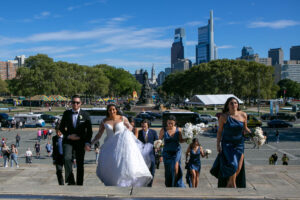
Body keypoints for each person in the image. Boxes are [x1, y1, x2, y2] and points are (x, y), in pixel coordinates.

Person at [89, 104, 152, 187]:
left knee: (124, 164)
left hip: (122, 144)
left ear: (116, 110)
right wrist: (91, 143)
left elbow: (130, 127)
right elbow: (99, 134)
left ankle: (124, 182)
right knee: (113, 165)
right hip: (110, 146)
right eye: (110, 110)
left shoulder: (122, 118)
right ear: (108, 111)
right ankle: (115, 183)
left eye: (113, 109)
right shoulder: (104, 121)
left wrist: (126, 132)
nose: (112, 111)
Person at [210, 97, 250, 188]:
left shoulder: (243, 115)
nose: (234, 105)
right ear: (228, 106)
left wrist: (256, 134)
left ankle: (230, 184)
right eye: (231, 103)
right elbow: (219, 131)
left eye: (235, 103)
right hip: (228, 144)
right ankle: (233, 184)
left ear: (238, 104)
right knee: (233, 165)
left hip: (240, 144)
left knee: (239, 167)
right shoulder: (223, 117)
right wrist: (218, 144)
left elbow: (245, 128)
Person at [59, 95, 93, 185]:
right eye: (73, 102)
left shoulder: (85, 115)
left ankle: (79, 183)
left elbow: (89, 131)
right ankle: (71, 181)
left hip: (80, 141)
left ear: (80, 103)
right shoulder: (66, 113)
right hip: (69, 140)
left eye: (77, 102)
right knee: (67, 158)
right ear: (71, 103)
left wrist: (87, 142)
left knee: (80, 163)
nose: (75, 104)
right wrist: (68, 136)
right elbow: (61, 128)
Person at [158, 115, 187, 187]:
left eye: (172, 123)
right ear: (166, 122)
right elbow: (158, 143)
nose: (170, 125)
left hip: (176, 151)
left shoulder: (178, 129)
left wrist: (187, 139)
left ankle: (176, 184)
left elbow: (180, 140)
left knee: (176, 167)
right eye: (168, 123)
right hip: (166, 153)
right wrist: (160, 155)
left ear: (175, 123)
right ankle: (169, 185)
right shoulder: (163, 130)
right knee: (168, 171)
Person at [137, 119, 158, 187]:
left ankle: (150, 184)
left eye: (145, 125)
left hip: (151, 153)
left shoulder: (153, 132)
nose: (143, 126)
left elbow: (157, 142)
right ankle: (143, 183)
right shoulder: (139, 132)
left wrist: (159, 153)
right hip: (141, 154)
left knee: (152, 169)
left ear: (148, 125)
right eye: (142, 124)